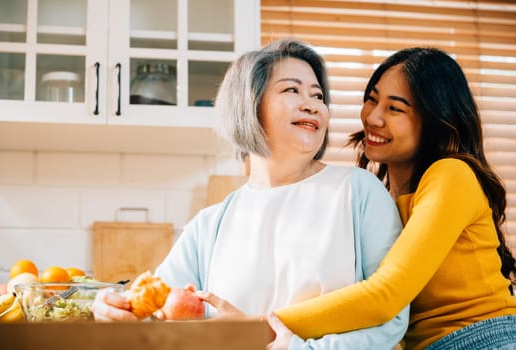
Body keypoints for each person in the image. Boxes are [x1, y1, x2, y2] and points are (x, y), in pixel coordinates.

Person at [92, 39, 409, 349]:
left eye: (318, 95)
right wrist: (112, 309)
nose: (313, 104)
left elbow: (392, 321)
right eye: (291, 89)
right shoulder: (210, 224)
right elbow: (153, 317)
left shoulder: (360, 192)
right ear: (249, 104)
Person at [272, 47, 516, 350]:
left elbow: (385, 295)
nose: (373, 117)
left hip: (482, 341)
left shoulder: (451, 175)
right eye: (372, 99)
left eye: (395, 109)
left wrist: (262, 326)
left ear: (435, 119)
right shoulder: (377, 199)